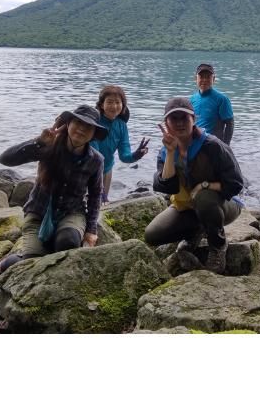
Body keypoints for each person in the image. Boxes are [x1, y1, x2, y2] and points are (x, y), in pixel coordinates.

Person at [0, 105, 107, 275]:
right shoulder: (48, 146)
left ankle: (55, 241)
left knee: (67, 243)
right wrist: (38, 142)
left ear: (94, 134)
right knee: (33, 264)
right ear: (68, 123)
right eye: (78, 122)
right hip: (38, 213)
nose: (82, 129)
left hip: (71, 213)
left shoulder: (96, 160)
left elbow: (95, 195)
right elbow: (5, 159)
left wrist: (91, 230)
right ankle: (7, 263)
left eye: (89, 126)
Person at [144, 97, 244, 274]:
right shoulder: (165, 151)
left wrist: (205, 185)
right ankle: (196, 231)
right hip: (189, 206)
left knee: (204, 198)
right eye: (174, 119)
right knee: (152, 234)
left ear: (194, 119)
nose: (180, 123)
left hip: (225, 204)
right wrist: (170, 153)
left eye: (185, 118)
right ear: (166, 123)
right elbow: (166, 187)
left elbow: (235, 184)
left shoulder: (212, 146)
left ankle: (218, 245)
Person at [90, 85, 150, 203]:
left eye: (118, 102)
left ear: (123, 105)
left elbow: (124, 156)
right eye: (110, 102)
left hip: (107, 170)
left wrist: (136, 155)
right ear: (102, 105)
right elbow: (94, 151)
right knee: (87, 201)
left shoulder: (121, 125)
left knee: (101, 203)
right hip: (89, 168)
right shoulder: (94, 122)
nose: (114, 106)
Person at [190, 63, 234, 145]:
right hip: (194, 144)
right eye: (201, 76)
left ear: (213, 79)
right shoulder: (192, 99)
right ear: (195, 78)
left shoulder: (222, 99)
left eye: (208, 77)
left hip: (213, 145)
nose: (204, 80)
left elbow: (229, 124)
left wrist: (225, 146)